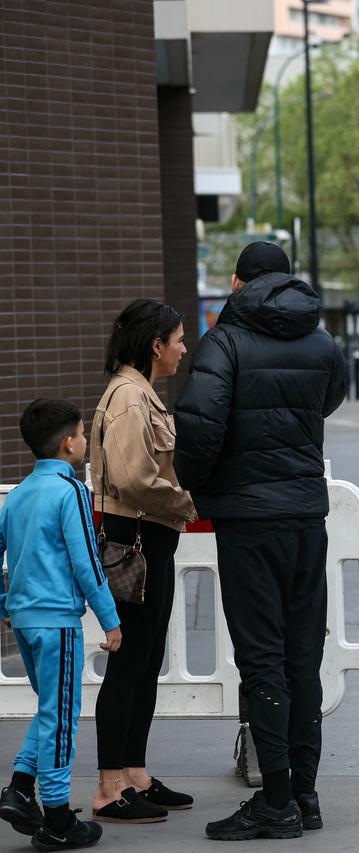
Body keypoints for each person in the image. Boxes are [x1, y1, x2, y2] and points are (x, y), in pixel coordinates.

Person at [174, 241, 347, 841]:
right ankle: (306, 793)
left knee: (262, 659)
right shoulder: (321, 340)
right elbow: (329, 400)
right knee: (303, 657)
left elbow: (198, 430)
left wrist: (198, 483)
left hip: (249, 522)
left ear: (238, 281)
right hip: (306, 516)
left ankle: (275, 800)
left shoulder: (224, 340)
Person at [89, 300, 197, 824]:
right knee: (130, 663)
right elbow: (135, 480)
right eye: (178, 339)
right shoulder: (131, 398)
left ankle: (134, 774)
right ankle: (111, 788)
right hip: (136, 541)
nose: (183, 348)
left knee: (145, 660)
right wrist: (186, 503)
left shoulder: (137, 393)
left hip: (147, 541)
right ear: (156, 345)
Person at [0, 400, 122, 850]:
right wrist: (110, 618)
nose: (86, 441)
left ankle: (18, 789)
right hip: (57, 623)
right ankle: (55, 819)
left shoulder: (18, 495)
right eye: (84, 433)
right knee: (63, 717)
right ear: (69, 443)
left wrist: (3, 601)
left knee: (51, 709)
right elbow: (87, 562)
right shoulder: (70, 491)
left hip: (26, 621)